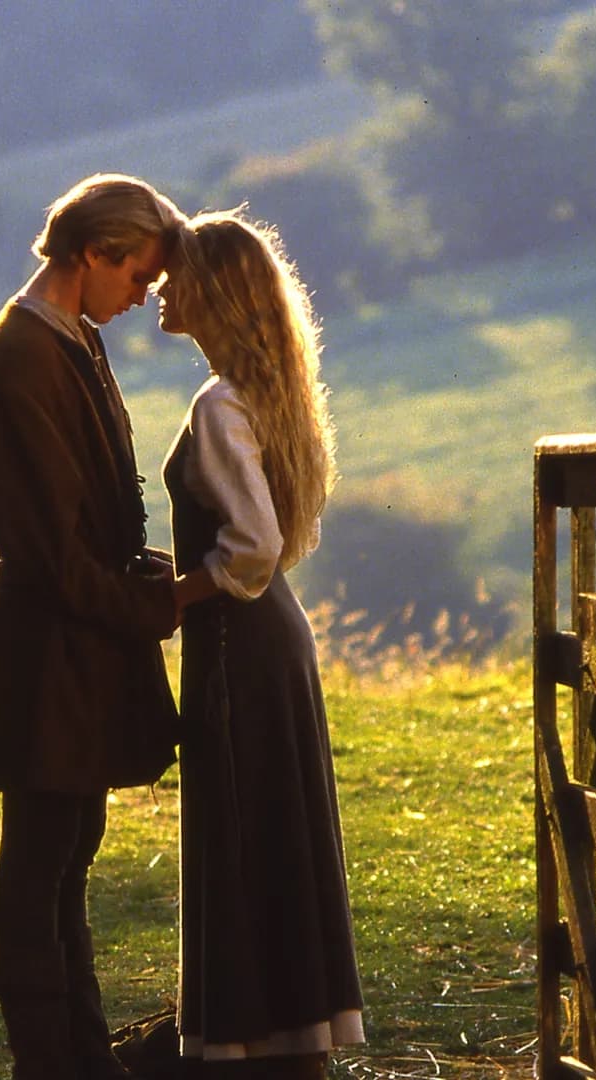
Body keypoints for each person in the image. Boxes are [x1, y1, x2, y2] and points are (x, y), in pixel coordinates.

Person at [0, 172, 188, 1080]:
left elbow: (93, 522)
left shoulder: (71, 338)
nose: (141, 299)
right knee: (39, 862)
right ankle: (48, 1063)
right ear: (94, 253)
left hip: (76, 643)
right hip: (46, 649)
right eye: (138, 277)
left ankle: (83, 1056)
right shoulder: (23, 356)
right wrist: (167, 600)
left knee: (69, 856)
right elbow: (52, 551)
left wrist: (152, 575)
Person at [157, 210, 366, 1079]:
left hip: (238, 641)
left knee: (245, 828)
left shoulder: (217, 404)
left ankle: (252, 1041)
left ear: (211, 292)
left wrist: (171, 598)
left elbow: (251, 547)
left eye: (175, 274)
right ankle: (288, 1031)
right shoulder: (260, 393)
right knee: (277, 827)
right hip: (270, 632)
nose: (161, 287)